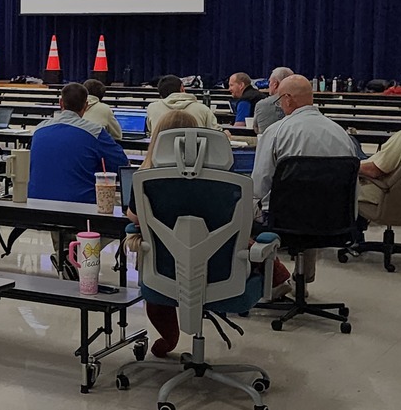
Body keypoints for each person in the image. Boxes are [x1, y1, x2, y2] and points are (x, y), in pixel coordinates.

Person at [125, 110, 291, 358]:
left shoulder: (147, 181)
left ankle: (168, 338)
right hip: (223, 276)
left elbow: (134, 219)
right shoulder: (224, 184)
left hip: (164, 275)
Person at [252, 75, 358, 283]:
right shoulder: (341, 134)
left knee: (242, 210)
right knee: (312, 203)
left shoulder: (276, 132)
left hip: (284, 220)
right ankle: (304, 277)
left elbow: (260, 184)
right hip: (335, 219)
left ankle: (269, 283)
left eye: (279, 100)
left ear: (288, 99)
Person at [28, 83, 129, 277]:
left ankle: (64, 254)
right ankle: (75, 254)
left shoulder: (39, 129)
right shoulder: (94, 132)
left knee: (59, 196)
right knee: (123, 214)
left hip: (37, 201)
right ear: (85, 107)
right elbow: (120, 163)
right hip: (78, 203)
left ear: (60, 103)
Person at [146, 75, 221, 132]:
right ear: (182, 88)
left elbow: (150, 131)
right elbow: (216, 133)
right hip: (194, 152)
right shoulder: (203, 109)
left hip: (160, 152)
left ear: (160, 94)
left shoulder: (152, 108)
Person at [253, 67, 294, 134]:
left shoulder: (261, 105)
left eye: (270, 82)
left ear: (275, 84)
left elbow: (256, 129)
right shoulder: (299, 102)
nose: (269, 85)